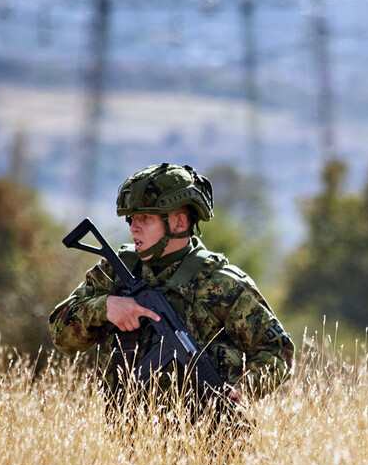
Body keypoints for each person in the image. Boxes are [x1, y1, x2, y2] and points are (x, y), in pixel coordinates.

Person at [48, 163, 293, 407]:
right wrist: (105, 308)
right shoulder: (115, 272)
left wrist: (244, 389)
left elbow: (277, 351)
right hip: (127, 437)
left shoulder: (221, 283)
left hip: (208, 436)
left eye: (146, 218)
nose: (134, 227)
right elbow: (61, 335)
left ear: (178, 223)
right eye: (131, 218)